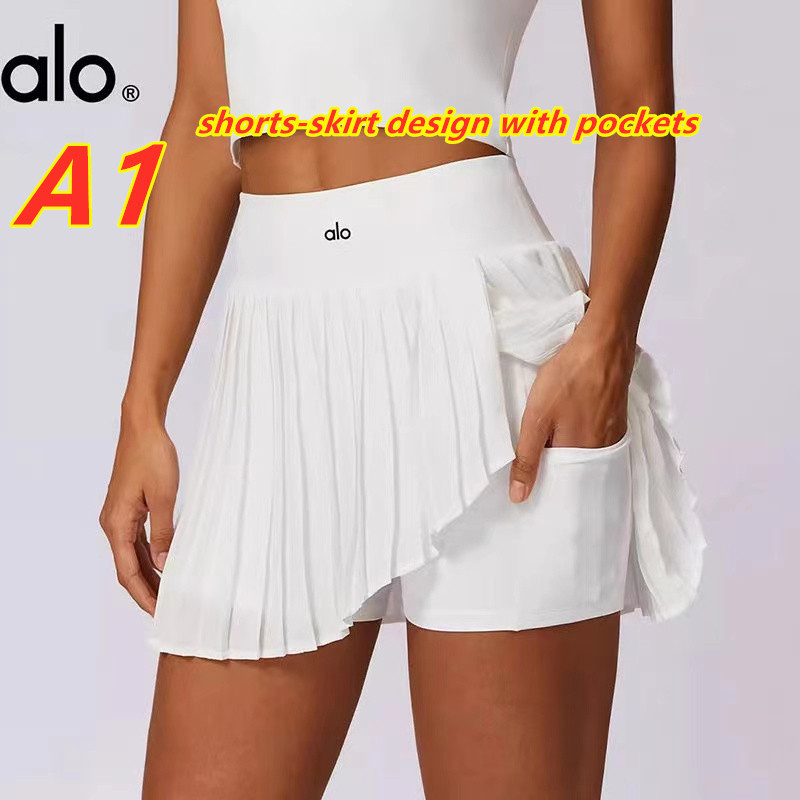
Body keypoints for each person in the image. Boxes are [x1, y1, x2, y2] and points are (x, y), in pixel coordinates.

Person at [99, 1, 704, 797]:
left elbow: (638, 103)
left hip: (489, 349)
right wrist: (142, 406)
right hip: (278, 360)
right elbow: (205, 110)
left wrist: (606, 344)